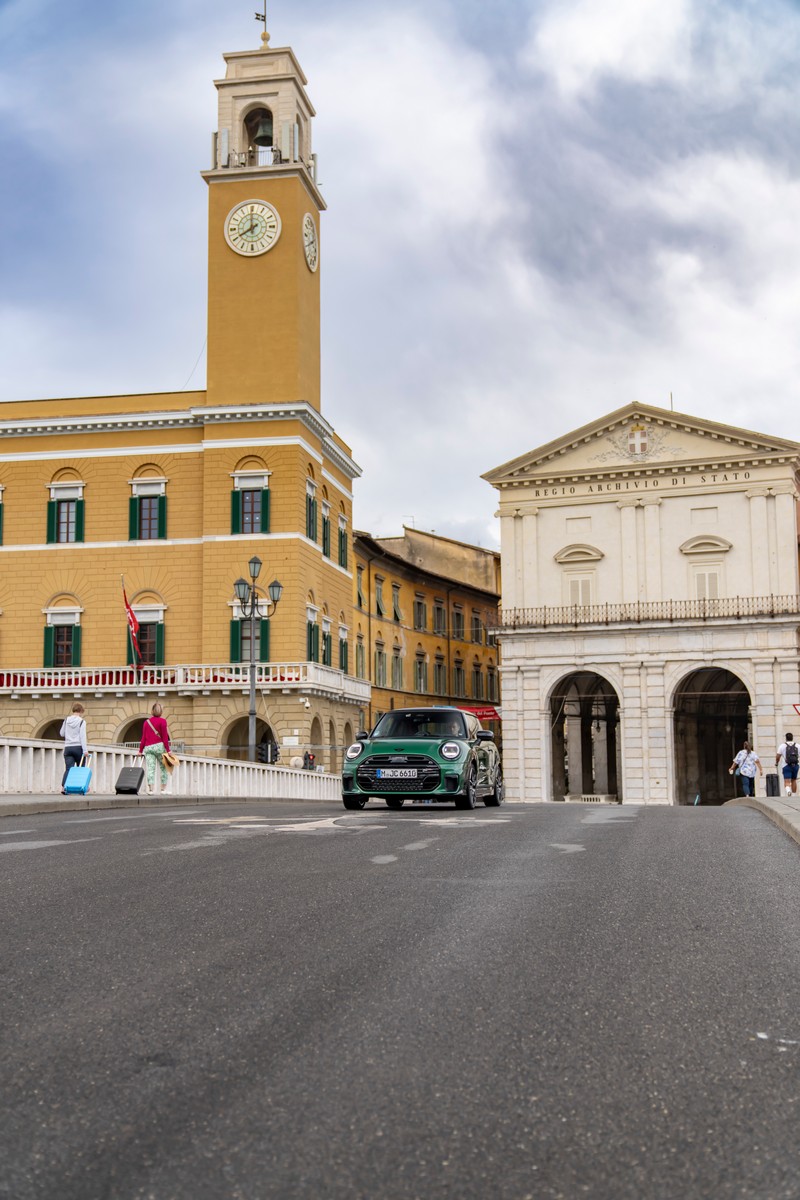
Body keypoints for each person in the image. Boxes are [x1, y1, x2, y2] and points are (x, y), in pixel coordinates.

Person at [138, 702, 172, 795]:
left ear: (152, 711)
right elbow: (165, 738)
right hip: (159, 748)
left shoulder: (146, 722)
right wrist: (168, 750)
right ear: (161, 711)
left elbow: (143, 738)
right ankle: (163, 789)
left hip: (148, 748)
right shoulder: (163, 721)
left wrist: (140, 751)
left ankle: (151, 789)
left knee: (150, 768)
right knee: (164, 767)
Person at [60, 702, 87, 794]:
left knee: (68, 769)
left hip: (68, 747)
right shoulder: (82, 721)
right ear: (81, 711)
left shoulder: (66, 720)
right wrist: (85, 750)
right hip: (78, 747)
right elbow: (83, 737)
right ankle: (80, 787)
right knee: (81, 768)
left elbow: (61, 733)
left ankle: (64, 787)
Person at [776, 732, 799, 797]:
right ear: (792, 738)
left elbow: (778, 756)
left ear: (786, 738)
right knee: (794, 780)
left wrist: (777, 762)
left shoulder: (782, 746)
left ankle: (788, 791)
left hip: (786, 765)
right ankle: (794, 795)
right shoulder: (797, 745)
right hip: (795, 765)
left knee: (787, 781)